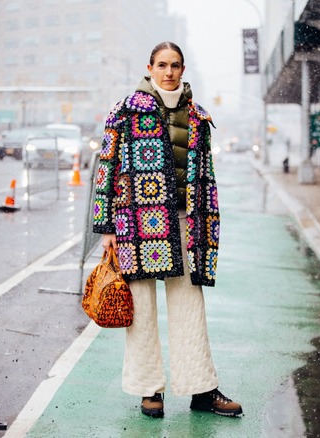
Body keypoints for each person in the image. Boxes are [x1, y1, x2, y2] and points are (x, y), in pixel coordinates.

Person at [92, 41, 242, 418]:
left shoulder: (197, 117)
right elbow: (106, 166)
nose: (169, 71)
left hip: (183, 223)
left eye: (175, 65)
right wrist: (105, 224)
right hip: (135, 223)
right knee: (141, 308)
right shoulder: (126, 111)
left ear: (183, 69)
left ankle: (201, 389)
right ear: (150, 67)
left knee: (190, 304)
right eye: (162, 65)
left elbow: (205, 175)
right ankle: (149, 390)